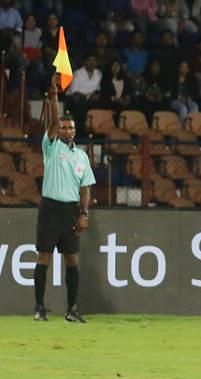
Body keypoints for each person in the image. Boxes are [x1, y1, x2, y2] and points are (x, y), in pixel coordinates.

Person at [34, 74, 96, 323]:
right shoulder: (51, 146)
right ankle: (39, 307)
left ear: (75, 130)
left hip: (71, 210)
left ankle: (72, 309)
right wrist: (54, 95)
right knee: (44, 256)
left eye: (71, 127)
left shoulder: (81, 156)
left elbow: (86, 187)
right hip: (50, 208)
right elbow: (52, 120)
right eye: (63, 127)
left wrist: (84, 213)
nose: (67, 130)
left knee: (72, 259)